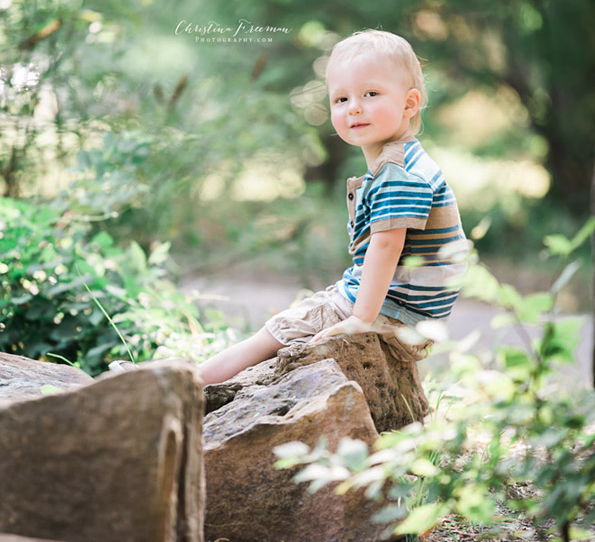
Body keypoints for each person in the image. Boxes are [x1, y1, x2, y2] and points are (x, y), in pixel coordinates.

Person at [115, 30, 469, 384]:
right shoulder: (402, 162)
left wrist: (361, 318)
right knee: (294, 319)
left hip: (393, 313)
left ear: (409, 103)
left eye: (371, 94)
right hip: (405, 311)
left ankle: (179, 383)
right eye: (341, 99)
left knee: (273, 334)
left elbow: (387, 245)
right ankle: (180, 376)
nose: (354, 107)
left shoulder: (398, 173)